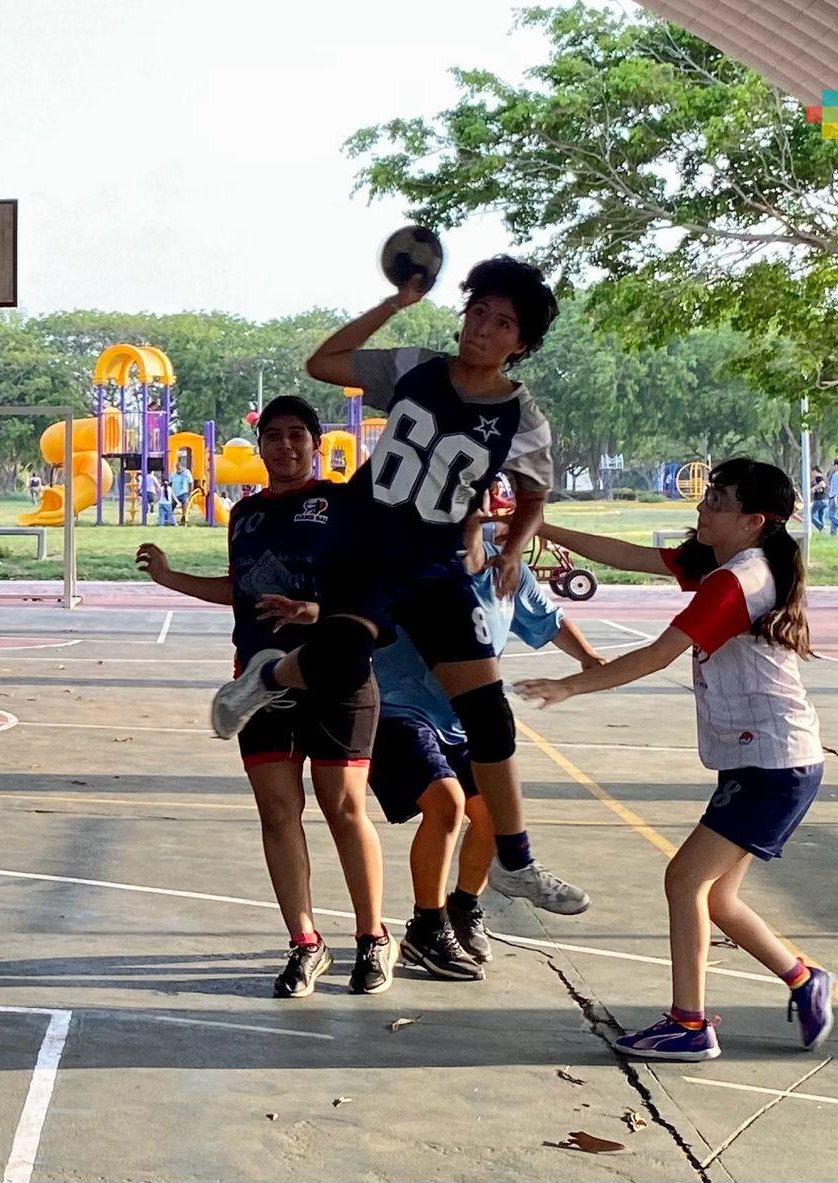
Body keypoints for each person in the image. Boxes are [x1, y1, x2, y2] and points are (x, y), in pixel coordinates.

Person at [211, 255, 587, 914]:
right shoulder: (416, 368)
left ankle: (516, 860)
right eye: (477, 313)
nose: (482, 329)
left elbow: (533, 494)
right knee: (339, 659)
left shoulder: (524, 420)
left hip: (438, 563)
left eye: (501, 323)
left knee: (491, 716)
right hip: (366, 541)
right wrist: (397, 303)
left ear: (520, 343)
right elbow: (323, 363)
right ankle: (268, 680)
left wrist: (512, 550)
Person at [521, 459, 834, 1062]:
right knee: (714, 899)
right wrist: (545, 529)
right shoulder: (722, 562)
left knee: (683, 880)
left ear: (753, 522)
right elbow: (629, 556)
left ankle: (688, 1025)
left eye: (717, 500)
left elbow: (658, 655)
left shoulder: (735, 581)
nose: (703, 507)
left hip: (775, 763)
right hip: (766, 760)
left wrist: (570, 685)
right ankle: (803, 979)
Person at [136, 396, 395, 998]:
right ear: (260, 448)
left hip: (337, 670)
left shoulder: (342, 505)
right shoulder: (245, 515)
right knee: (277, 812)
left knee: (344, 806)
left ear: (316, 442)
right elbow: (243, 589)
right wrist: (171, 577)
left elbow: (380, 589)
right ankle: (306, 943)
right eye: (273, 436)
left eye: (296, 435)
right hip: (262, 681)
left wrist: (319, 612)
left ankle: (372, 937)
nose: (284, 445)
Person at [371, 510, 605, 979]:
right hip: (398, 709)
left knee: (493, 815)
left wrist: (590, 660)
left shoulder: (504, 565)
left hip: (464, 716)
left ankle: (464, 906)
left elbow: (549, 620)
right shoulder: (408, 562)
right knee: (447, 804)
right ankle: (427, 926)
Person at [807, 468, 828, 532]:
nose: (811, 474)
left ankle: (820, 526)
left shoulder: (818, 477)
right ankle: (822, 530)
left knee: (809, 515)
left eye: (812, 472)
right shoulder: (823, 477)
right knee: (820, 516)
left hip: (819, 500)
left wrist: (813, 488)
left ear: (815, 471)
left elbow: (823, 485)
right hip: (824, 500)